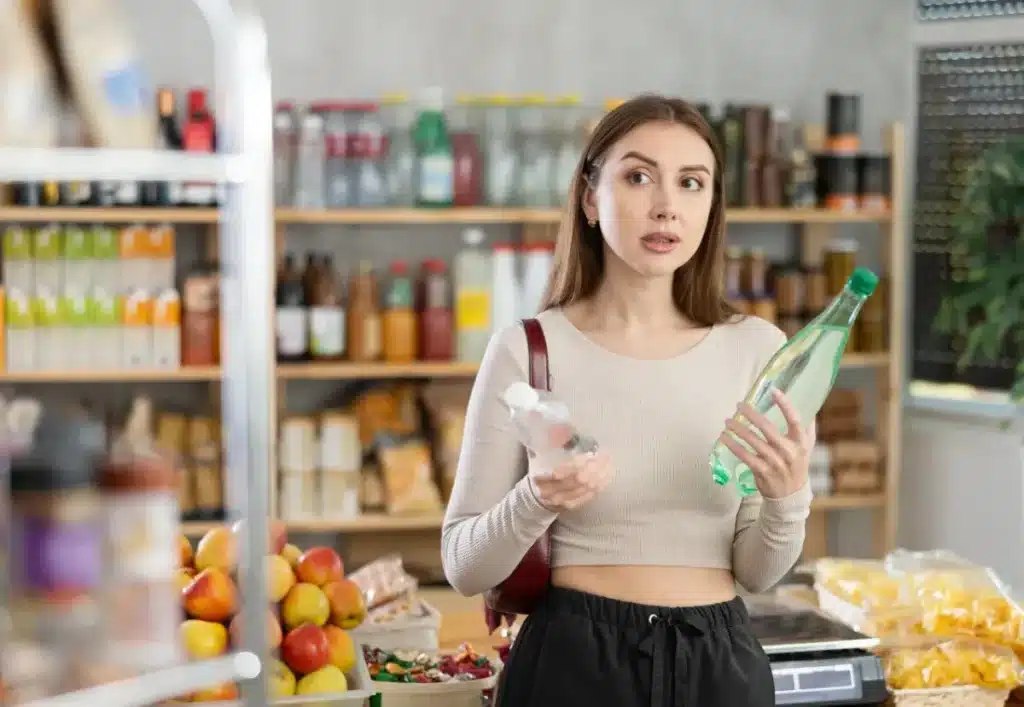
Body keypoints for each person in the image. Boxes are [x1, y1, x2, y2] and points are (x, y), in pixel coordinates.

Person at [441, 94, 814, 707]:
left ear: (711, 206)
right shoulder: (528, 350)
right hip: (572, 664)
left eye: (692, 183)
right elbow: (463, 566)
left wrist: (786, 499)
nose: (666, 206)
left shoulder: (759, 352)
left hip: (720, 667)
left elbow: (758, 571)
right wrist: (536, 499)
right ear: (590, 198)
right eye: (638, 177)